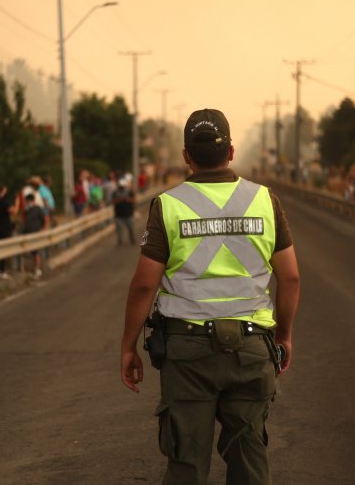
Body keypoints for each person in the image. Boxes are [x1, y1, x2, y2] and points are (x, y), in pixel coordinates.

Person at [121, 108, 300, 484]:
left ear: (186, 156)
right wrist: (283, 335)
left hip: (187, 353)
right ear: (231, 151)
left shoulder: (167, 206)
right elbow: (291, 277)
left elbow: (143, 285)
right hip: (252, 350)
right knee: (250, 459)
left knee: (186, 461)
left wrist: (128, 345)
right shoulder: (266, 201)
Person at [21, 193, 46, 279]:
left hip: (35, 233)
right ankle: (27, 270)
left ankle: (37, 269)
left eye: (28, 201)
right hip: (26, 233)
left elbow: (44, 219)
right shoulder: (26, 211)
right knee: (27, 252)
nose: (27, 203)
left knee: (35, 252)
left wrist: (43, 229)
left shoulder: (38, 209)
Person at [112, 178, 136, 246]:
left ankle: (132, 239)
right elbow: (113, 201)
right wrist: (120, 200)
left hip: (128, 214)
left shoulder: (129, 192)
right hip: (119, 215)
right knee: (119, 229)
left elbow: (134, 200)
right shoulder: (115, 192)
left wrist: (127, 200)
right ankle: (120, 241)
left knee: (130, 228)